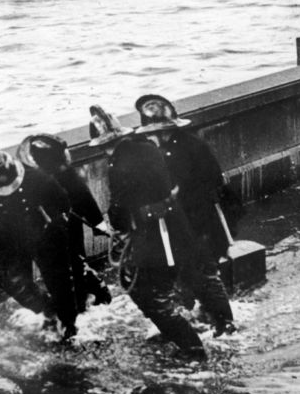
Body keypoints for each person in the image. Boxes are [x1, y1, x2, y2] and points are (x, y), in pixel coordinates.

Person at [89, 104, 227, 359]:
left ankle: (193, 348)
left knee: (149, 296)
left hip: (157, 236)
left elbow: (120, 209)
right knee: (196, 276)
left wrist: (117, 223)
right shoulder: (147, 149)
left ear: (100, 145)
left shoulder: (118, 164)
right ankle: (222, 325)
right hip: (178, 228)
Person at [134, 94, 236, 335]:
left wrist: (184, 192)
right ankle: (192, 313)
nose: (158, 136)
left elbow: (214, 179)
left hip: (198, 219)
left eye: (163, 130)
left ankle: (225, 322)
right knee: (180, 271)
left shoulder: (193, 145)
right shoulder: (149, 151)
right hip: (172, 223)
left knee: (205, 271)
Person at [0, 149, 80, 341]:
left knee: (59, 282)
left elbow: (63, 202)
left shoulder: (37, 177)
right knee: (12, 282)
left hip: (43, 234)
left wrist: (53, 220)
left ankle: (68, 325)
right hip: (10, 239)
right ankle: (48, 309)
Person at [17, 133, 113, 310]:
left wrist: (98, 223)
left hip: (66, 224)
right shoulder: (36, 175)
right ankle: (82, 299)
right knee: (63, 269)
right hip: (46, 230)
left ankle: (90, 297)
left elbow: (82, 195)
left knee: (73, 264)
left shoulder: (61, 173)